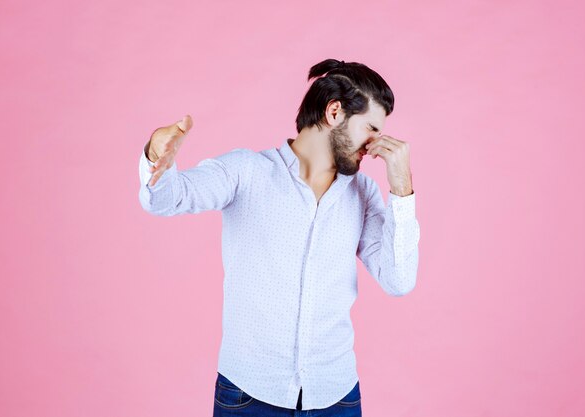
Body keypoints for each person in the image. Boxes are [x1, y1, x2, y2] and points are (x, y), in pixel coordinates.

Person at [137, 58, 420, 416]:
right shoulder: (246, 171)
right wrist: (154, 154)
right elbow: (167, 197)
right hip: (248, 394)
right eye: (371, 128)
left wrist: (402, 187)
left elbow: (399, 279)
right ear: (335, 112)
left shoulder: (363, 192)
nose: (375, 144)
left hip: (336, 396)